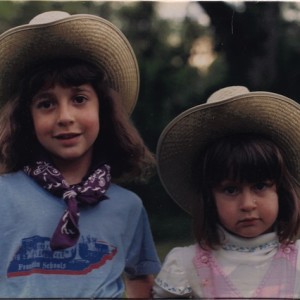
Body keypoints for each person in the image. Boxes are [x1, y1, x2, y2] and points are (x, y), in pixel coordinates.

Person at [0, 11, 160, 298]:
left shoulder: (129, 207)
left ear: (103, 109)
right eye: (46, 104)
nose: (65, 116)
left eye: (79, 99)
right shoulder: (3, 195)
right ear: (27, 118)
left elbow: (142, 280)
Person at [153, 86, 300, 298]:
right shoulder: (186, 266)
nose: (248, 204)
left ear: (280, 190)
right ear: (209, 197)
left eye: (260, 186)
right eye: (231, 190)